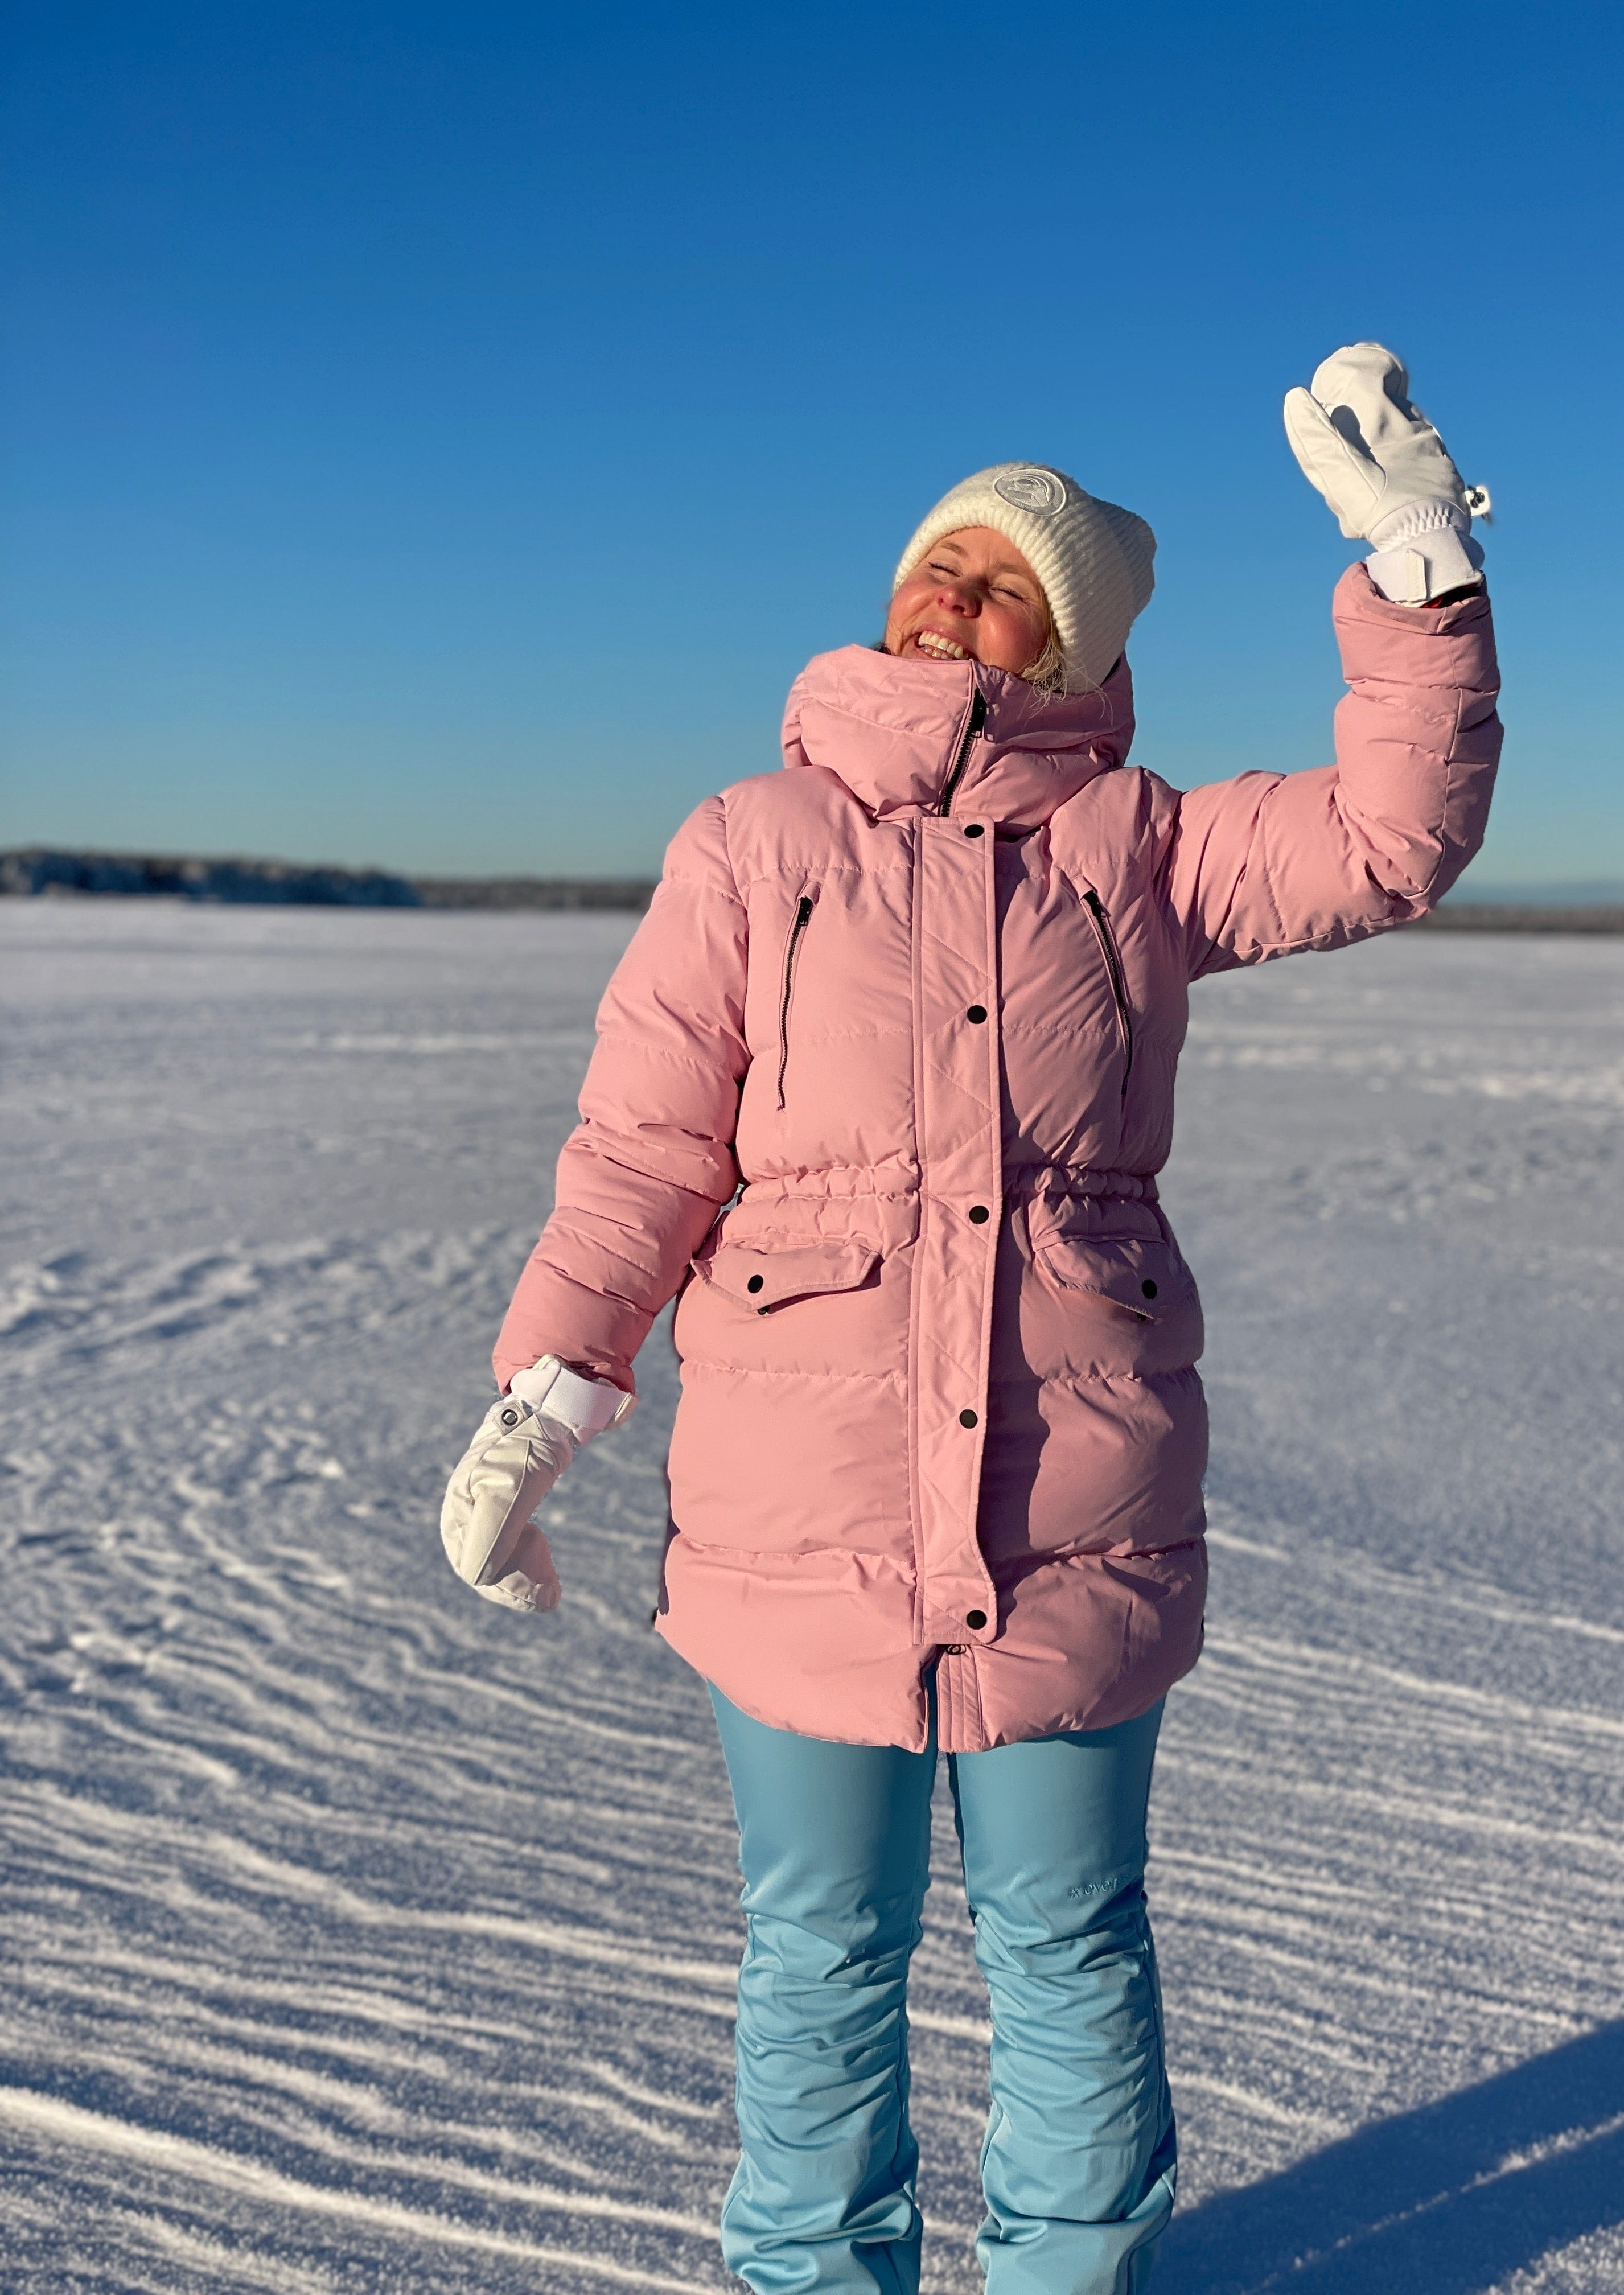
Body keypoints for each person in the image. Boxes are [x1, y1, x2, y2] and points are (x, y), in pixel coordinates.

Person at [440, 343, 1502, 2293]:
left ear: (1074, 646)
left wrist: (1419, 574)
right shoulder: (754, 844)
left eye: (999, 579)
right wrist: (551, 1385)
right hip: (798, 1507)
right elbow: (644, 1143)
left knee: (1071, 1945)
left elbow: (1387, 839)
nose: (949, 594)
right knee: (818, 1954)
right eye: (934, 562)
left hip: (1070, 1514)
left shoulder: (1146, 847)